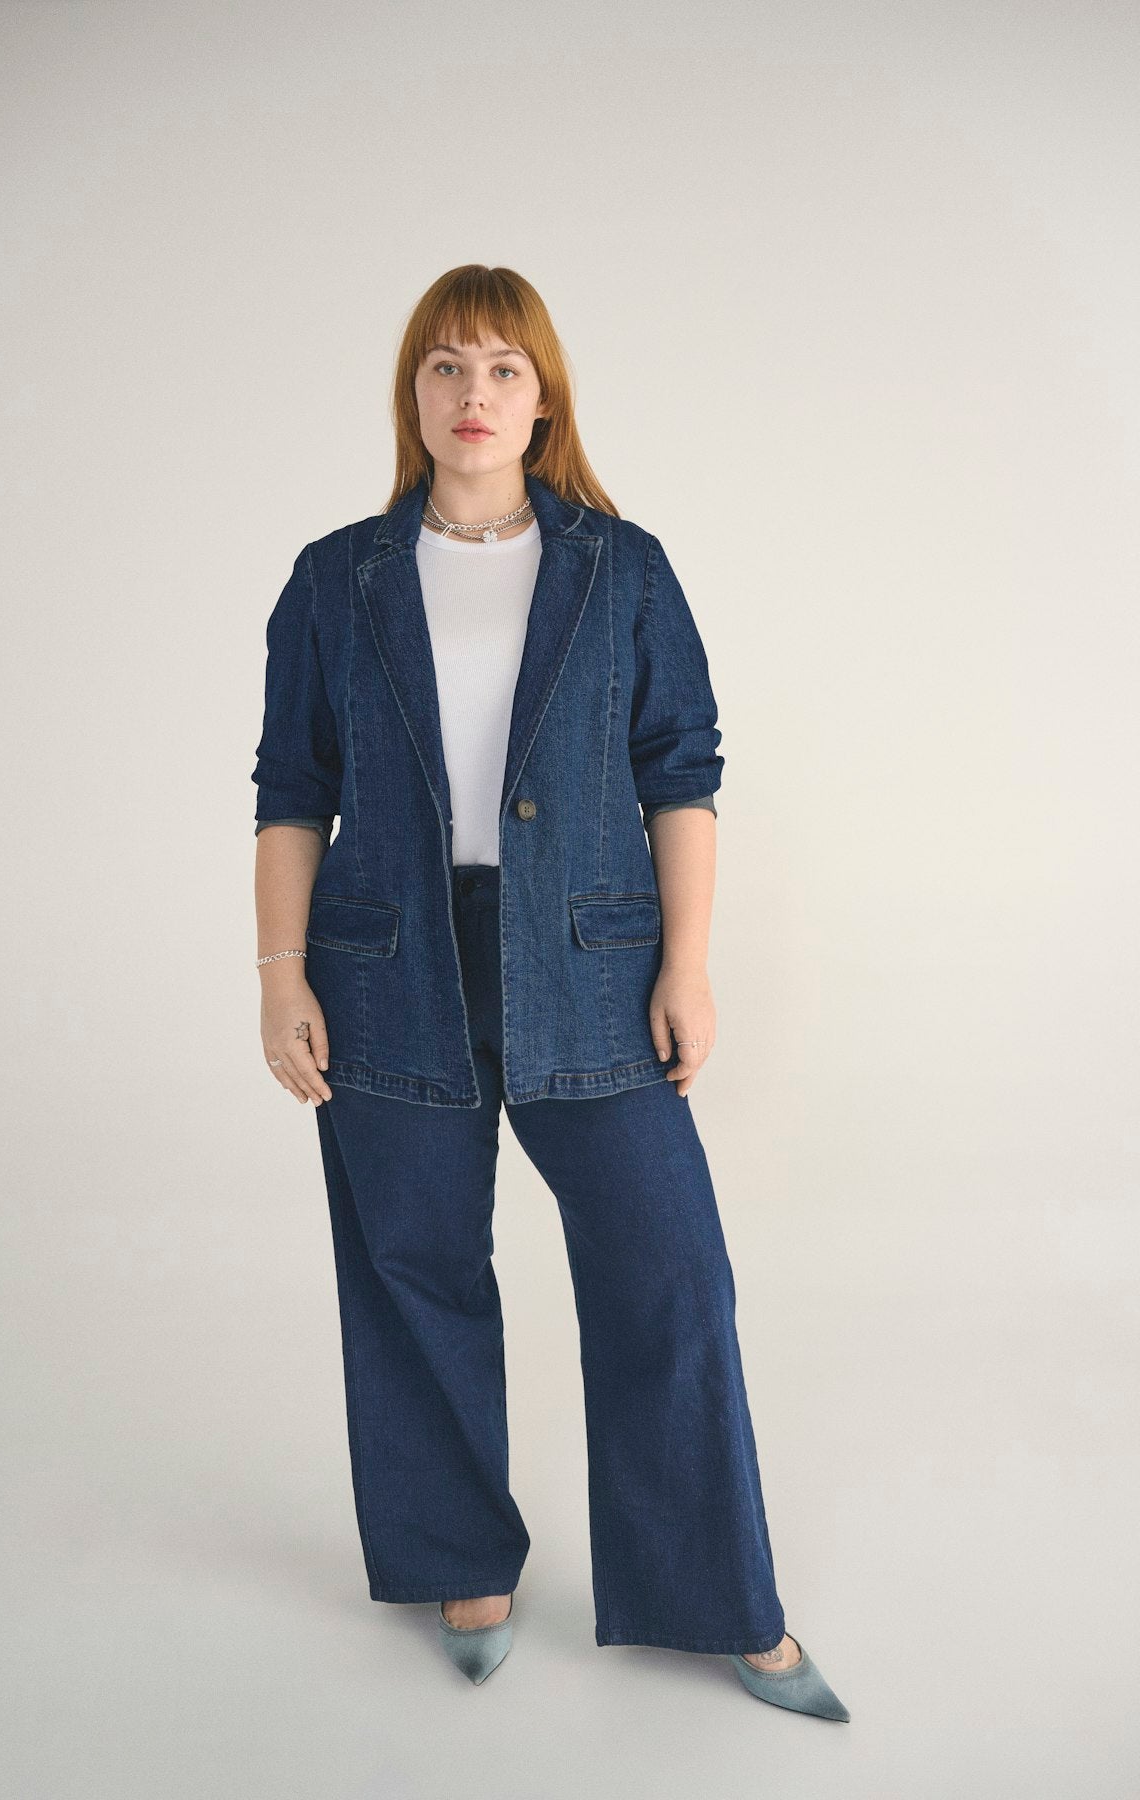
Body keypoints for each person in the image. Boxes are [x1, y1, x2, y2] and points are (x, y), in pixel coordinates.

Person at [250, 264, 849, 1720]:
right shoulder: (336, 578)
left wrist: (687, 964)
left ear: (544, 399)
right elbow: (291, 789)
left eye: (503, 370)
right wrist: (279, 976)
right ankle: (462, 1561)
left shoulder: (619, 568)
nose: (474, 395)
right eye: (447, 367)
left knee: (669, 1273)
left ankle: (721, 1602)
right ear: (413, 394)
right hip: (387, 963)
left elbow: (681, 771)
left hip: (589, 963)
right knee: (415, 1269)